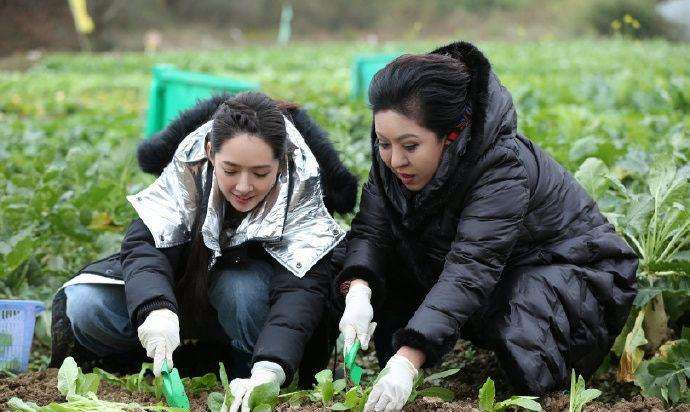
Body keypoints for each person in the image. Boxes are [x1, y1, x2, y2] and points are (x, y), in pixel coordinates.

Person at [334, 41, 638, 411]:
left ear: (451, 134)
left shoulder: (501, 168)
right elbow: (372, 230)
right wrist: (359, 291)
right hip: (501, 269)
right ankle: (396, 360)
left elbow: (471, 268)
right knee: (387, 258)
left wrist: (408, 361)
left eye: (410, 146)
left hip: (579, 273)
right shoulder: (395, 159)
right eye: (384, 143)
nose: (395, 159)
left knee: (523, 315)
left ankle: (540, 395)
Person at [49, 91, 358, 411]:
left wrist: (271, 367)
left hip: (247, 318)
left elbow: (300, 290)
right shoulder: (187, 169)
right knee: (87, 305)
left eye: (260, 173)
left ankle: (245, 370)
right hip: (183, 298)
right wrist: (156, 309)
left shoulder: (302, 190)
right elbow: (145, 247)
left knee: (241, 290)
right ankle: (149, 359)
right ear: (211, 152)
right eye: (231, 169)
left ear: (281, 162)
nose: (243, 186)